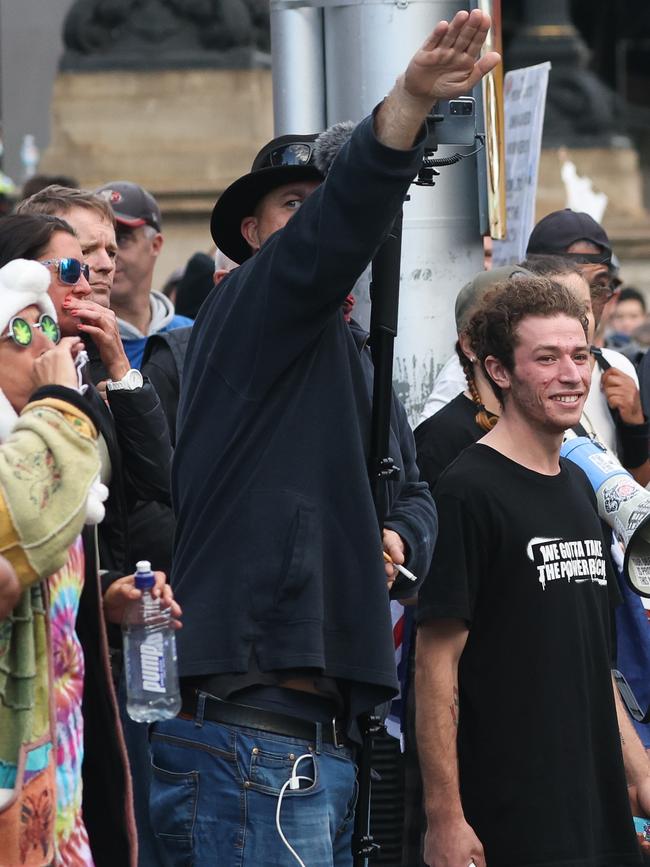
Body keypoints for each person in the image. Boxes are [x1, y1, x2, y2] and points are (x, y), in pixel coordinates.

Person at [152, 10, 498, 866]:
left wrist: (391, 537)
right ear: (255, 236)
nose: (316, 222)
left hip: (315, 745)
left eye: (321, 200)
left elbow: (409, 489)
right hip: (251, 746)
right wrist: (408, 104)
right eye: (293, 206)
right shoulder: (248, 309)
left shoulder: (347, 354)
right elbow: (338, 224)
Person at [416, 275, 650, 867]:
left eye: (581, 355)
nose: (571, 375)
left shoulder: (579, 488)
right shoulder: (468, 490)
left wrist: (641, 772)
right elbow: (435, 665)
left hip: (596, 809)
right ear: (499, 371)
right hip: (513, 813)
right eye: (545, 359)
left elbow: (594, 660)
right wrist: (445, 817)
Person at [0, 257, 106, 864]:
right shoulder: (50, 435)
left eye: (47, 324)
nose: (44, 342)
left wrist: (110, 591)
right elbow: (22, 518)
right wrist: (62, 401)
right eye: (20, 328)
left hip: (59, 783)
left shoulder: (53, 446)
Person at [94, 180, 193, 368]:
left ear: (155, 245)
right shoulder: (75, 342)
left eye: (121, 239)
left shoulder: (193, 334)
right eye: (93, 245)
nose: (107, 257)